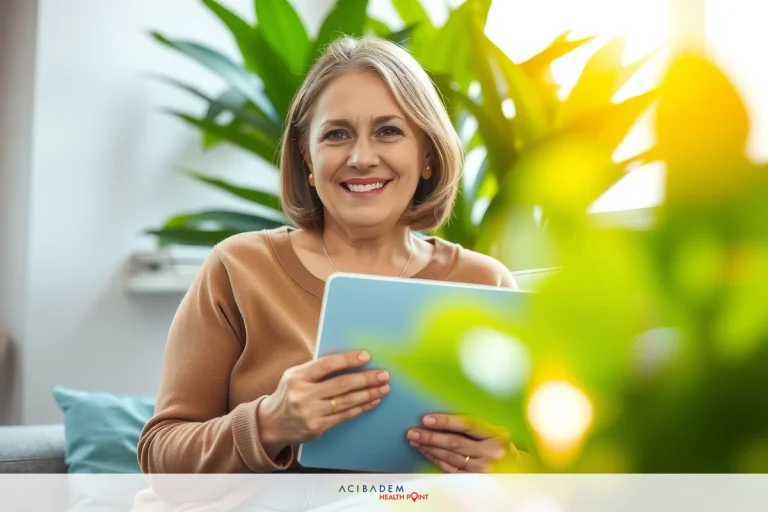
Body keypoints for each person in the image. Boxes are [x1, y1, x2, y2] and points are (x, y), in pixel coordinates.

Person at [137, 36, 526, 477]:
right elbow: (160, 456)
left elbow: (560, 468)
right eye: (337, 134)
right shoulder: (238, 268)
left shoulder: (485, 284)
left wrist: (506, 465)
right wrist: (268, 424)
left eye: (389, 131)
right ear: (307, 157)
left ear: (427, 157)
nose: (362, 158)